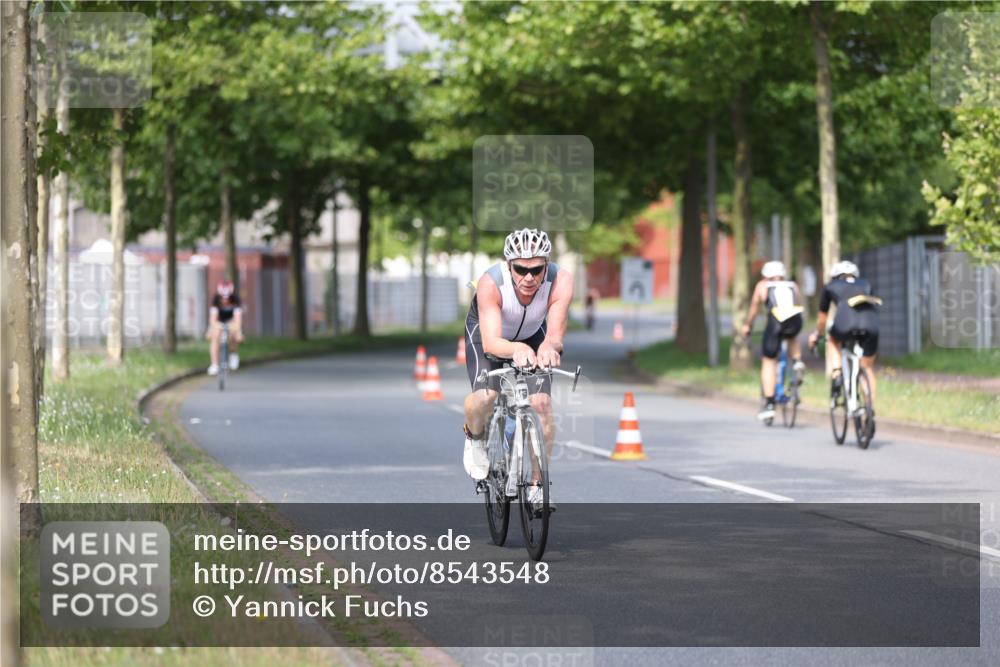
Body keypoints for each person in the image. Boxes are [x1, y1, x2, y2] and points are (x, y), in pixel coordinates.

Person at [462, 228, 573, 508]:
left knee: (542, 404)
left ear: (546, 265)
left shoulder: (561, 281)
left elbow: (555, 334)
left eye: (536, 270)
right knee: (486, 397)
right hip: (489, 335)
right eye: (521, 269)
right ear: (509, 265)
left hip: (533, 333)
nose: (528, 277)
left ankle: (536, 484)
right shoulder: (490, 283)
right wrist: (517, 349)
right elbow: (491, 343)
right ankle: (475, 437)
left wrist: (549, 347)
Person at [808, 260, 880, 402]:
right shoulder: (865, 283)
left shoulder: (831, 286)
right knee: (867, 367)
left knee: (833, 341)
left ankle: (837, 374)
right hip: (871, 325)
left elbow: (822, 317)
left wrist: (818, 334)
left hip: (845, 323)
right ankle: (870, 409)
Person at [741, 260, 805, 420]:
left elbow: (754, 309)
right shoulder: (792, 285)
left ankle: (769, 403)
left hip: (775, 324)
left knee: (768, 361)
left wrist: (748, 325)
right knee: (792, 337)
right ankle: (797, 361)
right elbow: (798, 304)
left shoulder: (763, 286)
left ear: (766, 275)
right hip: (794, 322)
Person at [207, 280, 243, 376]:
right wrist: (213, 328)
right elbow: (213, 319)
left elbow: (237, 320)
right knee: (215, 337)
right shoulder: (215, 300)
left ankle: (233, 354)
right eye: (223, 298)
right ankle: (214, 364)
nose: (225, 300)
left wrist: (238, 331)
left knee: (234, 335)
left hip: (232, 321)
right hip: (219, 321)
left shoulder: (236, 300)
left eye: (227, 298)